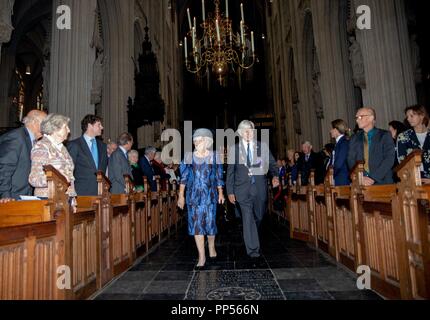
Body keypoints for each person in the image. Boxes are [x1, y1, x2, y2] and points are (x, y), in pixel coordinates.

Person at [226, 120, 278, 260]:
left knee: (259, 216)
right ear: (241, 133)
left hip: (259, 188)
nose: (248, 133)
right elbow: (230, 172)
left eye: (250, 130)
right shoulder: (234, 149)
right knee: (247, 218)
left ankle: (252, 236)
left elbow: (272, 164)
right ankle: (253, 250)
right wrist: (230, 191)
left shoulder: (263, 147)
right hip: (242, 190)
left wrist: (275, 176)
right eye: (245, 131)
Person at [177, 128, 225, 269]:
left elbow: (218, 176)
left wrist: (221, 193)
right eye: (195, 140)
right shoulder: (188, 156)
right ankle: (201, 256)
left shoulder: (214, 156)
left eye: (200, 140)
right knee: (197, 225)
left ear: (207, 141)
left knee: (210, 225)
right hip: (193, 196)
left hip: (210, 195)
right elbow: (184, 178)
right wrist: (181, 196)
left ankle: (211, 246)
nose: (196, 142)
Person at [28, 114, 77, 209]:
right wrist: (58, 180)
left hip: (65, 200)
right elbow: (34, 178)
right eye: (65, 127)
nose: (69, 130)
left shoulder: (62, 148)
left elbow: (69, 176)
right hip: (49, 201)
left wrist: (72, 199)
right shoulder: (42, 147)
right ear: (55, 129)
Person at [0, 110, 47, 202]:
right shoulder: (16, 137)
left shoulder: (33, 141)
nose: (48, 126)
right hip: (11, 198)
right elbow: (4, 168)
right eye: (45, 123)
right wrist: (5, 195)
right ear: (34, 122)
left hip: (24, 197)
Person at [347, 108, 395, 186]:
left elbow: (389, 159)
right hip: (361, 182)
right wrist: (361, 177)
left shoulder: (384, 135)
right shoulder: (354, 138)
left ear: (371, 118)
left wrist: (373, 178)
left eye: (360, 117)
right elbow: (351, 160)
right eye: (356, 118)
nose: (357, 120)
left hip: (382, 182)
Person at [67, 115, 108, 196]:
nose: (102, 127)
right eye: (99, 125)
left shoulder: (103, 146)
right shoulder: (75, 144)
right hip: (81, 191)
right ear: (90, 126)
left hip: (101, 192)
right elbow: (69, 170)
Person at [397, 105, 430, 183]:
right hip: (413, 180)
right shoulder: (403, 137)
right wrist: (415, 178)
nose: (408, 119)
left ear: (422, 116)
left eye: (412, 115)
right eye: (407, 116)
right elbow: (402, 161)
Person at [330, 119, 350, 186]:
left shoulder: (344, 143)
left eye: (332, 129)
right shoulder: (338, 143)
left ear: (336, 130)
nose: (330, 131)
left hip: (341, 179)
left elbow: (339, 163)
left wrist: (330, 175)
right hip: (337, 177)